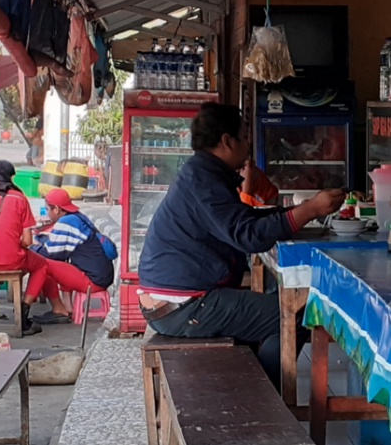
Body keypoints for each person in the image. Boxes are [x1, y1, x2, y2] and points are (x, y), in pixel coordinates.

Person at [137, 102, 344, 389]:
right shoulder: (203, 180)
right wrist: (308, 210)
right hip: (185, 304)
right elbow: (247, 234)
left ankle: (254, 387)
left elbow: (243, 219)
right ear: (226, 141)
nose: (249, 145)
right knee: (296, 315)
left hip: (181, 297)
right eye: (245, 137)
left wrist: (295, 214)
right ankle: (262, 397)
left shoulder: (203, 174)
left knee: (275, 311)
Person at [0, 160, 66, 336]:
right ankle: (23, 311)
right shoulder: (19, 197)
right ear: (10, 178)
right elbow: (27, 240)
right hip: (10, 260)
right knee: (41, 266)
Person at [30, 189, 116, 324]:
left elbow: (50, 253)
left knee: (43, 264)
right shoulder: (78, 217)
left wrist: (33, 246)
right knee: (63, 263)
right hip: (103, 276)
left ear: (57, 209)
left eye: (48, 209)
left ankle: (57, 310)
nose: (48, 213)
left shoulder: (66, 222)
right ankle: (67, 306)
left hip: (93, 281)